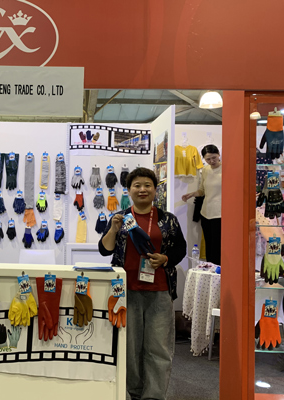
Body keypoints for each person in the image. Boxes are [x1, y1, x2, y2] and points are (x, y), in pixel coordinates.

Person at [99, 167, 186, 400]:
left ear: (155, 190)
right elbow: (104, 250)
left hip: (160, 291)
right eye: (136, 185)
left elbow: (180, 249)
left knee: (159, 348)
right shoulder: (120, 218)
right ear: (129, 190)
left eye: (147, 185)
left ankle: (154, 395)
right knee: (130, 347)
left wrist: (165, 258)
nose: (142, 189)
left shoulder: (168, 219)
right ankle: (134, 393)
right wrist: (113, 230)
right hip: (126, 291)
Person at [181, 144, 222, 265]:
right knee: (208, 245)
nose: (211, 161)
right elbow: (202, 190)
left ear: (219, 155)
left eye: (214, 157)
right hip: (206, 212)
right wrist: (192, 194)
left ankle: (219, 272)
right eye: (208, 159)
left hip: (220, 214)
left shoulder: (226, 169)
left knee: (218, 245)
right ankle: (210, 270)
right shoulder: (205, 170)